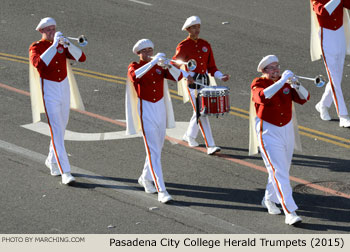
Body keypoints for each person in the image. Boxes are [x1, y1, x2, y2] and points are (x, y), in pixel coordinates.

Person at [249, 55, 310, 225]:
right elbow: (262, 97)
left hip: (287, 129)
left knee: (282, 168)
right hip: (268, 131)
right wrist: (282, 81)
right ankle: (290, 211)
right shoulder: (258, 83)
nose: (276, 70)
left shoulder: (285, 83)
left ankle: (268, 199)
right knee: (279, 172)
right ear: (264, 71)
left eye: (277, 67)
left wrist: (296, 84)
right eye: (272, 68)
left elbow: (305, 98)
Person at [126, 39, 185, 203]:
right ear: (139, 53)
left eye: (150, 50)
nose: (149, 53)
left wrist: (169, 65)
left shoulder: (159, 66)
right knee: (153, 151)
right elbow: (135, 77)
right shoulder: (135, 66)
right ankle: (162, 190)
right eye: (145, 51)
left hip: (160, 108)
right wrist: (153, 64)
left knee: (157, 148)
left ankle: (145, 177)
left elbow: (178, 76)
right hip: (146, 109)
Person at [29, 17, 86, 185]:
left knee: (61, 128)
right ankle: (65, 171)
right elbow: (39, 63)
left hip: (64, 87)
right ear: (41, 32)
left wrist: (67, 44)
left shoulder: (61, 44)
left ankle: (51, 160)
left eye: (53, 29)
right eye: (48, 30)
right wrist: (54, 46)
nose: (52, 32)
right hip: (50, 89)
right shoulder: (36, 47)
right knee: (56, 130)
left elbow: (81, 58)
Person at [172, 16, 230, 155]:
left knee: (199, 111)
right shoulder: (184, 46)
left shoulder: (205, 44)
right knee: (202, 113)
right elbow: (174, 64)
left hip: (205, 82)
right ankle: (210, 145)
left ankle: (189, 136)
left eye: (198, 27)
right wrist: (187, 75)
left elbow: (212, 67)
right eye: (193, 27)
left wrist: (221, 76)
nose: (197, 30)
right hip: (193, 84)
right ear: (187, 29)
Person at [310, 0, 350, 127]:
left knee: (337, 76)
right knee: (334, 77)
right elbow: (323, 11)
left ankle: (323, 104)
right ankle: (343, 115)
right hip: (327, 37)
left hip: (340, 34)